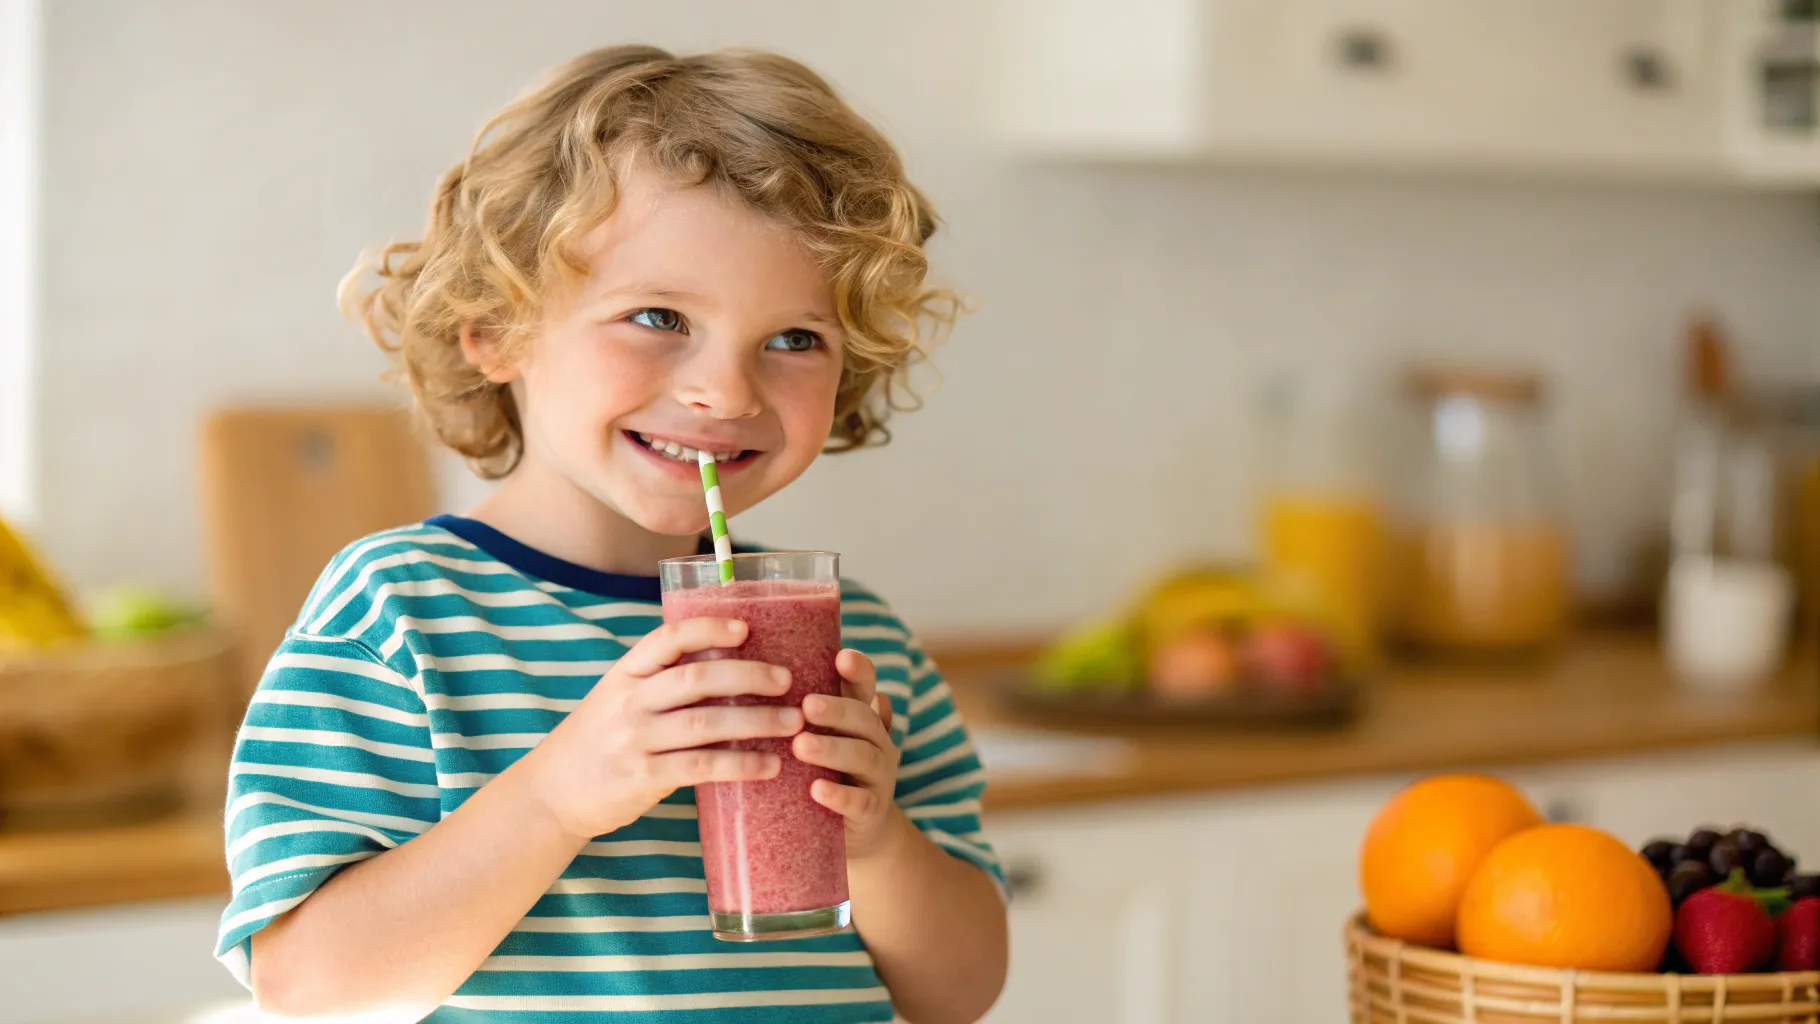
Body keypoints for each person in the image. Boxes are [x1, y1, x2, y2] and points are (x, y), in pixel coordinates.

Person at [212, 44, 1009, 1024]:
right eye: (657, 315)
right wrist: (557, 795)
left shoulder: (856, 640)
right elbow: (311, 989)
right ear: (496, 328)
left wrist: (876, 838)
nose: (724, 389)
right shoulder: (402, 610)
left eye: (795, 339)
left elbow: (957, 993)